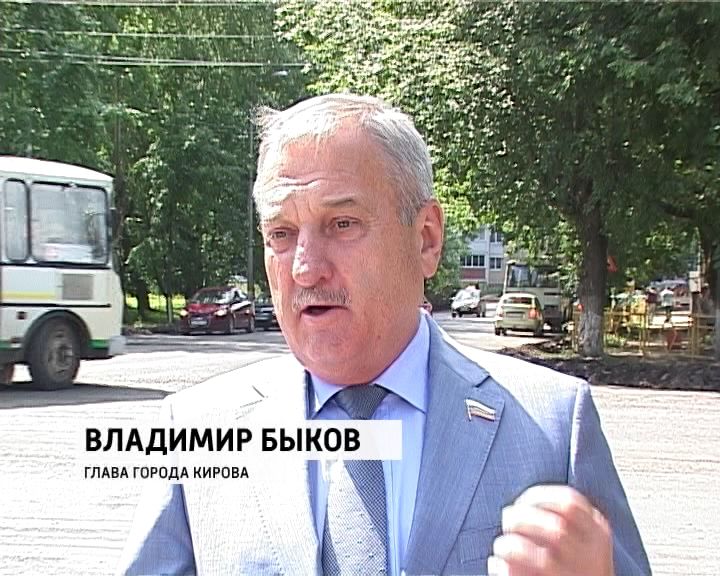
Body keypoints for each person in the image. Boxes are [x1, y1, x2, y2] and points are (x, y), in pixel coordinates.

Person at [118, 94, 650, 575]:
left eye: (342, 224)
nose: (305, 268)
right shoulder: (196, 429)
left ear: (426, 239)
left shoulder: (551, 426)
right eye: (281, 233)